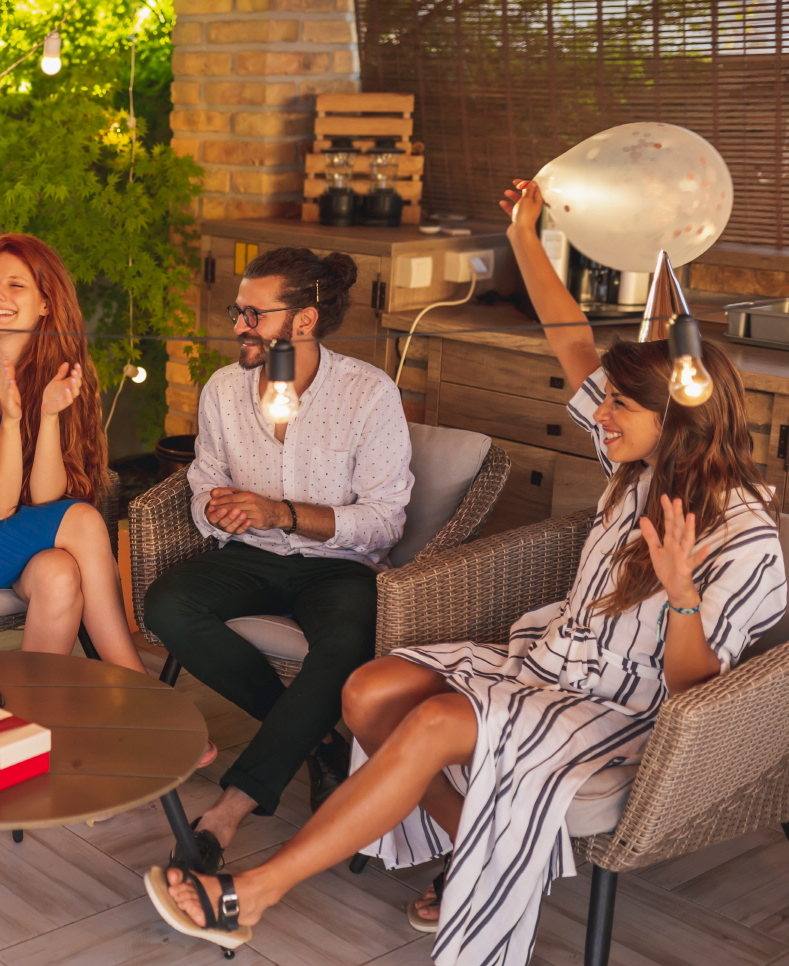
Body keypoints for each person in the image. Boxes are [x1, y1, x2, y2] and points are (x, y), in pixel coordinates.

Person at [145, 180, 787, 966]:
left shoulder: (746, 538)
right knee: (367, 689)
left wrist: (683, 596)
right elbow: (571, 340)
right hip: (550, 664)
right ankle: (478, 844)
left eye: (621, 404)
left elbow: (696, 699)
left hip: (626, 707)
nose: (601, 414)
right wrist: (523, 232)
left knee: (434, 724)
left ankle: (254, 893)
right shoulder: (640, 467)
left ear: (679, 414)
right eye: (608, 402)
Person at [142, 246, 412, 867]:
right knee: (168, 604)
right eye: (239, 310)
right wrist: (216, 509)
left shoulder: (369, 395)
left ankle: (228, 812)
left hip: (339, 565)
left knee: (346, 641)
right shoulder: (222, 390)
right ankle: (316, 739)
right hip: (249, 554)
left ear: (305, 321)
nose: (238, 324)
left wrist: (282, 512)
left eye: (253, 314)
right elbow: (204, 479)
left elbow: (383, 521)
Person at [0, 232, 144, 673]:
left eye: (16, 285)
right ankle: (137, 685)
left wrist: (49, 416)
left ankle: (30, 714)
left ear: (46, 303)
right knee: (86, 520)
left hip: (12, 532)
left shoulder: (55, 373)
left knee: (59, 575)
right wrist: (13, 421)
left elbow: (46, 499)